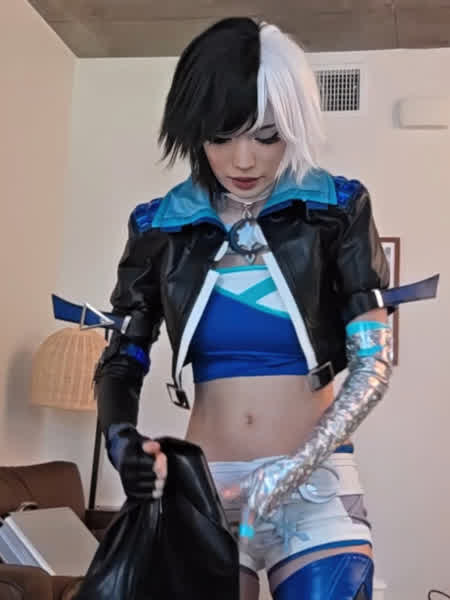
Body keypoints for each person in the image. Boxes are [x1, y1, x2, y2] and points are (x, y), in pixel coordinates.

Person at [92, 17, 434, 600]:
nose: (244, 160)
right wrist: (122, 442)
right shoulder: (161, 226)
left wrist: (295, 468)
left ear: (294, 127)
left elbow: (372, 365)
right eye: (221, 137)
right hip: (205, 493)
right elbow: (123, 358)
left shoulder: (336, 208)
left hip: (315, 488)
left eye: (267, 136)